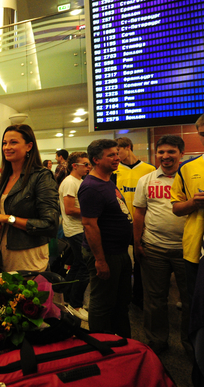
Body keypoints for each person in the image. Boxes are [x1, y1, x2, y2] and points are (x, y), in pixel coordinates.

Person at [133, 135, 190, 356]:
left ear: (181, 154)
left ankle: (190, 343)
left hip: (189, 249)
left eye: (171, 151)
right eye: (161, 152)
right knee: (154, 299)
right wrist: (137, 243)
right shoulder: (146, 180)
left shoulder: (190, 177)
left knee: (190, 299)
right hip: (154, 247)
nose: (165, 156)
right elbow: (139, 213)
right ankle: (157, 340)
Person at [0, 124, 59, 272]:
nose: (7, 147)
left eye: (13, 142)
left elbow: (49, 224)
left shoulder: (41, 176)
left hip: (29, 257)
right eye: (4, 143)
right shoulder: (6, 177)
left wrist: (7, 219)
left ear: (29, 146)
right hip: (4, 253)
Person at [78, 139, 133, 338]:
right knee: (102, 304)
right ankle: (100, 344)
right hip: (106, 254)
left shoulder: (107, 181)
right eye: (111, 155)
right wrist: (100, 261)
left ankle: (123, 342)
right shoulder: (91, 187)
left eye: (117, 153)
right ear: (96, 160)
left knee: (120, 302)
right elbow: (89, 225)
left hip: (118, 251)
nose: (117, 158)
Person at [113, 137, 155, 309]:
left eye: (118, 152)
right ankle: (122, 296)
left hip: (141, 223)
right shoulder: (115, 170)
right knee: (121, 261)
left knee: (140, 260)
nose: (116, 156)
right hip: (121, 223)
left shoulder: (149, 169)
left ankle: (139, 296)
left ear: (128, 147)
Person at [171, 113, 204, 303]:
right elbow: (176, 208)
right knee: (196, 301)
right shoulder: (187, 168)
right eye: (203, 134)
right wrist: (193, 203)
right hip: (195, 248)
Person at [59, 152, 91, 321]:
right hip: (76, 230)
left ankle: (66, 297)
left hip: (79, 229)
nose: (88, 167)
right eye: (85, 164)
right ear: (74, 166)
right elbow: (70, 209)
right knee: (85, 266)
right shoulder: (70, 182)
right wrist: (92, 212)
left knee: (78, 264)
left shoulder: (78, 181)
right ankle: (76, 304)